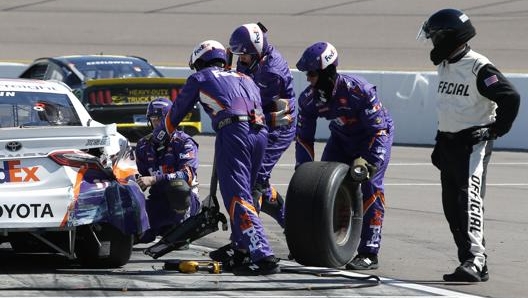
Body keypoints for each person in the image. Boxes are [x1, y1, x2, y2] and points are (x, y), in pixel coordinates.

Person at [154, 40, 280, 276]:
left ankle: (263, 256)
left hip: (234, 132)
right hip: (260, 132)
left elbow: (176, 113)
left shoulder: (199, 78)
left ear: (200, 61)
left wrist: (158, 137)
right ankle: (242, 249)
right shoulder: (245, 78)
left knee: (236, 196)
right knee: (247, 193)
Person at [417, 8, 520, 282]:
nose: (433, 44)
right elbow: (449, 107)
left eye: (435, 38)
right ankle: (469, 260)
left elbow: (511, 97)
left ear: (449, 37)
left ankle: (477, 259)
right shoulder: (446, 65)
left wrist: (495, 130)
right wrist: (440, 142)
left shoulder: (479, 67)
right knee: (451, 206)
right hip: (448, 144)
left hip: (472, 144)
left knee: (468, 201)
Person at [295, 41, 394, 270]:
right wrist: (303, 169)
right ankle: (322, 242)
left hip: (373, 138)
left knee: (371, 186)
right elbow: (303, 138)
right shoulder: (308, 99)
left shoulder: (359, 90)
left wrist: (371, 162)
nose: (308, 79)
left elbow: (379, 131)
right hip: (341, 139)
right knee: (323, 185)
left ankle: (369, 252)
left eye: (311, 73)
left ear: (327, 72)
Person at [228, 22, 296, 228]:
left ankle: (250, 235)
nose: (240, 60)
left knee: (255, 181)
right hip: (260, 123)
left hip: (279, 128)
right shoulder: (249, 60)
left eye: (244, 55)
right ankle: (295, 226)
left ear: (255, 52)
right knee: (255, 179)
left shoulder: (272, 72)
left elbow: (254, 101)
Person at [134, 97, 201, 244]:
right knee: (134, 232)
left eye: (160, 119)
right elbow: (139, 175)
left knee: (178, 187)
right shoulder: (142, 145)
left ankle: (182, 229)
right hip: (158, 199)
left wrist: (154, 179)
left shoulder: (184, 142)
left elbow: (187, 175)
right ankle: (157, 229)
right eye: (153, 119)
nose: (157, 123)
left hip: (184, 199)